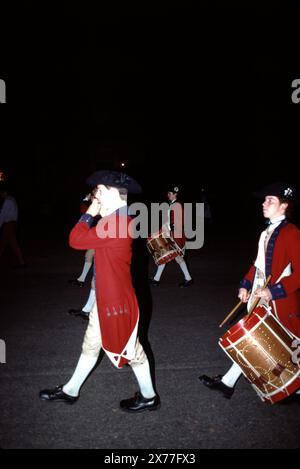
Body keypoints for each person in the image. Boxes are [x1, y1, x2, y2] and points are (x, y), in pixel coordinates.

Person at [40, 170, 160, 412]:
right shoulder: (116, 220)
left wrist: (91, 213)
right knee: (91, 344)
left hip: (116, 303)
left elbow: (75, 239)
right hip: (106, 299)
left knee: (132, 352)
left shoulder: (116, 224)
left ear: (116, 194)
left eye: (100, 192)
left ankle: (149, 396)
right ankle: (70, 390)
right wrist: (97, 211)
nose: (96, 197)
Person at [199, 182, 300, 400]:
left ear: (284, 205)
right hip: (260, 297)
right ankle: (227, 382)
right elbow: (258, 265)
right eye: (264, 200)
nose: (264, 203)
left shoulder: (291, 233)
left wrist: (275, 292)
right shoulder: (266, 232)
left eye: (270, 200)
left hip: (280, 302)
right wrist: (245, 285)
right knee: (253, 340)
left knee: (289, 349)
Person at [149, 186, 193, 287]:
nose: (168, 195)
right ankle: (156, 279)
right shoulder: (173, 204)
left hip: (175, 234)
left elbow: (176, 222)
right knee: (166, 255)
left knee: (174, 256)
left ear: (175, 194)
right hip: (172, 233)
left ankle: (188, 279)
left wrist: (167, 229)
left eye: (170, 193)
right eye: (168, 193)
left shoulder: (176, 205)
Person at [68, 194, 95, 288]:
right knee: (89, 255)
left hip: (103, 234)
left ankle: (82, 280)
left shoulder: (99, 205)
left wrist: (87, 198)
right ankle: (81, 280)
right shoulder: (94, 203)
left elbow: (84, 211)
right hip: (97, 233)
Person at [0, 182, 26, 267]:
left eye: (1, 193)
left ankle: (22, 262)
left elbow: (2, 214)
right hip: (12, 224)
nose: (1, 195)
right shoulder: (12, 200)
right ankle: (22, 262)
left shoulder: (7, 201)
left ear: (5, 192)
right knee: (5, 243)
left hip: (8, 225)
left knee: (11, 244)